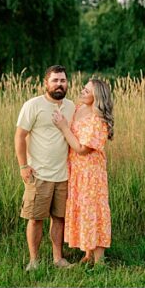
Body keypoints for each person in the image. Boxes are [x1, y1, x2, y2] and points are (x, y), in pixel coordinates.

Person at [15, 65, 75, 271]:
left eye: (63, 80)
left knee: (59, 218)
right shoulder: (33, 105)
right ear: (45, 84)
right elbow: (20, 136)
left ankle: (58, 258)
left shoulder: (71, 107)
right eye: (55, 80)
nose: (60, 84)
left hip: (63, 174)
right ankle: (34, 261)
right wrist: (23, 166)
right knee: (35, 218)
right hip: (38, 173)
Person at [52, 77, 113, 266]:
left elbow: (81, 148)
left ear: (97, 96)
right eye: (83, 89)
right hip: (77, 171)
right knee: (82, 209)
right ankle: (87, 253)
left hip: (91, 173)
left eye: (87, 91)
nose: (82, 92)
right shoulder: (78, 109)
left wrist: (62, 127)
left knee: (93, 209)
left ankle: (99, 259)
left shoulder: (98, 120)